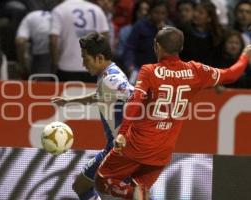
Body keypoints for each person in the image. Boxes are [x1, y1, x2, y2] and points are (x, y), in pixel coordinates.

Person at [94, 26, 251, 199]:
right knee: (141, 188)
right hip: (163, 151)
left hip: (137, 144)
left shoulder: (149, 71)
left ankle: (132, 193)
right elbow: (231, 75)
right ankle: (136, 193)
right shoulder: (196, 71)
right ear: (181, 48)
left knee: (102, 179)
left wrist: (122, 133)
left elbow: (135, 101)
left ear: (156, 46)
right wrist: (245, 56)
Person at [50, 32, 133, 200]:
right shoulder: (107, 75)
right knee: (81, 186)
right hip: (113, 149)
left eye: (85, 58)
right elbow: (99, 96)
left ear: (99, 57)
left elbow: (136, 95)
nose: (83, 63)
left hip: (120, 153)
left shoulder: (112, 78)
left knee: (82, 186)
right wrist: (69, 101)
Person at [49, 0, 109, 83]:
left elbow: (53, 40)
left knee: (67, 95)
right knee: (90, 96)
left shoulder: (59, 9)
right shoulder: (97, 9)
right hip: (93, 67)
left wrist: (54, 64)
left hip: (66, 67)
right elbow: (105, 38)